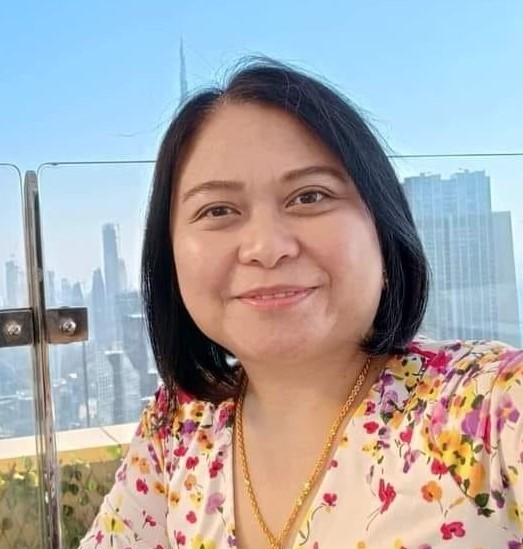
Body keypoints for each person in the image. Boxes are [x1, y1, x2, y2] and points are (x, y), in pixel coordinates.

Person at [79, 58, 523, 549]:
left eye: (310, 197)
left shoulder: (492, 407)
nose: (266, 247)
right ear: (170, 256)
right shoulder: (178, 428)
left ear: (383, 226)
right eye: (218, 210)